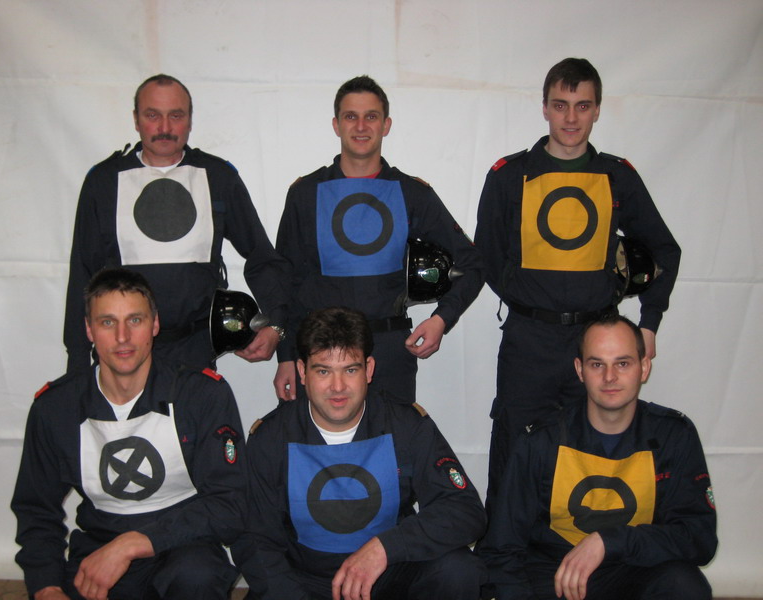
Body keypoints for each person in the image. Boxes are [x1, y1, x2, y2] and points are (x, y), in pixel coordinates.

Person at [474, 58, 681, 493]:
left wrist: (649, 324)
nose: (571, 118)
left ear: (597, 110)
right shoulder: (510, 175)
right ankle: (503, 539)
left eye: (582, 106)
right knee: (514, 451)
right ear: (545, 108)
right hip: (528, 342)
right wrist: (526, 296)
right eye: (561, 105)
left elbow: (664, 250)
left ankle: (588, 535)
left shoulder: (616, 176)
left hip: (596, 341)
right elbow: (486, 256)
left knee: (590, 453)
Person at [12, 268, 248, 600]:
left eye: (135, 320)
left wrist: (132, 543)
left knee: (198, 576)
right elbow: (36, 510)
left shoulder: (202, 395)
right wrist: (46, 587)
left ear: (154, 325)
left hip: (183, 545)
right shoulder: (55, 408)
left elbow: (230, 503)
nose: (122, 337)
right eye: (108, 322)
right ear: (89, 329)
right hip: (99, 546)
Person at [241, 306, 486, 600]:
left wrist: (386, 548)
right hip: (305, 581)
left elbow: (465, 510)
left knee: (459, 570)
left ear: (368, 370)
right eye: (323, 371)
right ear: (302, 372)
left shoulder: (406, 425)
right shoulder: (270, 437)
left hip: (389, 574)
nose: (338, 387)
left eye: (350, 370)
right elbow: (254, 538)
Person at [273, 75, 484, 404]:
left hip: (389, 352)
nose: (361, 126)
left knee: (394, 438)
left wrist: (442, 319)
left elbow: (473, 263)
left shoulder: (411, 193)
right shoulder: (305, 194)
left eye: (371, 116)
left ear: (386, 125)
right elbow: (285, 281)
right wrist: (286, 356)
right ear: (336, 124)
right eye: (351, 116)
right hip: (321, 352)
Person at [477, 314, 717, 600]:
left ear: (644, 368)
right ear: (580, 370)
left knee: (685, 585)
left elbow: (698, 538)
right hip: (554, 574)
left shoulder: (674, 435)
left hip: (633, 568)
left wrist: (610, 541)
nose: (609, 377)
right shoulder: (540, 440)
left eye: (622, 363)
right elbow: (502, 547)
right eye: (597, 364)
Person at [64, 73, 290, 372]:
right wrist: (77, 363)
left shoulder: (217, 177)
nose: (165, 128)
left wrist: (276, 324)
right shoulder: (104, 182)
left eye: (176, 115)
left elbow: (261, 256)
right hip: (121, 352)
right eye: (152, 115)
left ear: (190, 120)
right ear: (136, 119)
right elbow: (82, 274)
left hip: (195, 352)